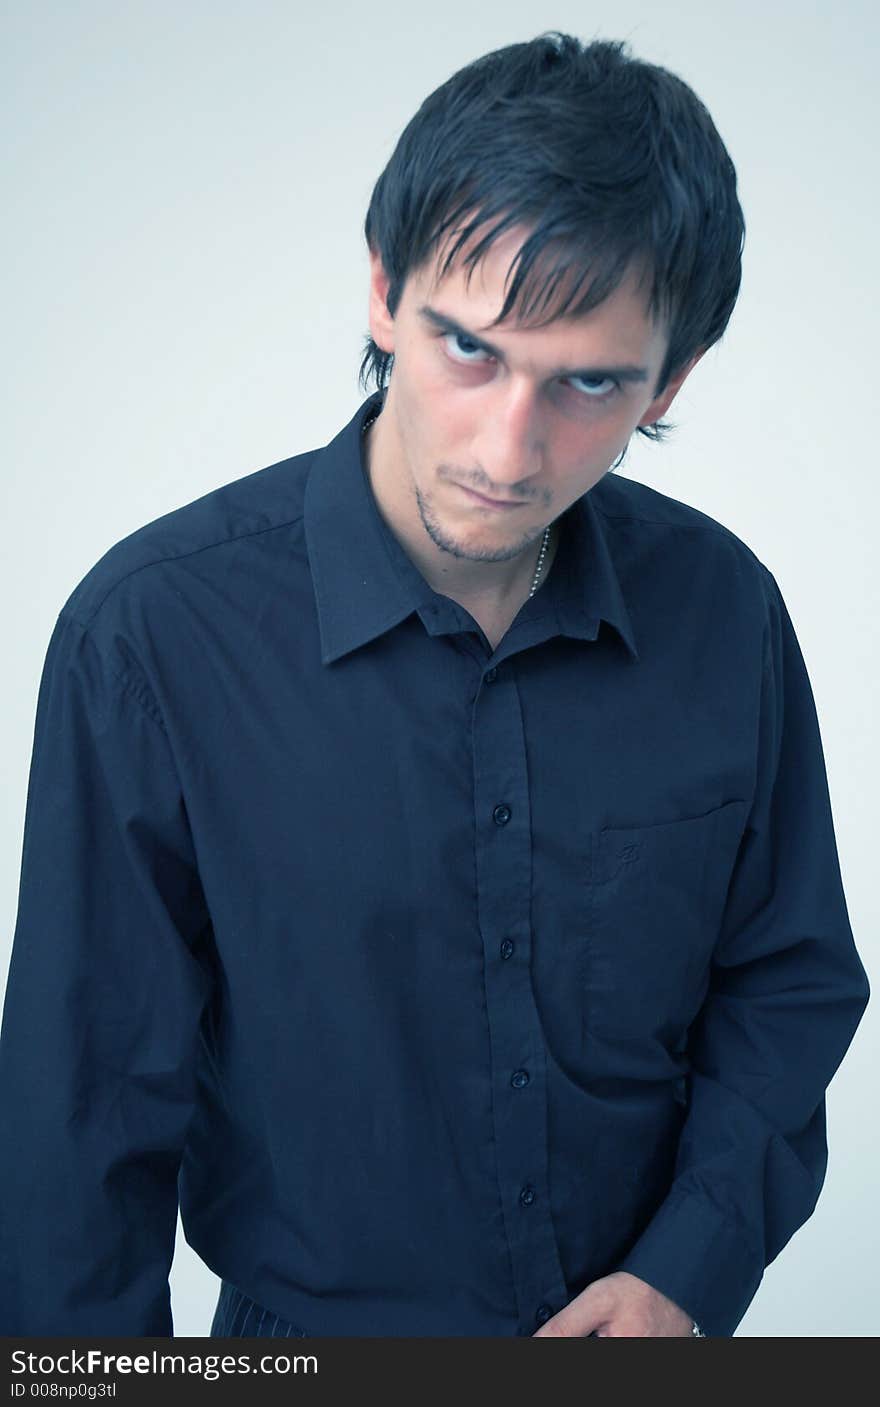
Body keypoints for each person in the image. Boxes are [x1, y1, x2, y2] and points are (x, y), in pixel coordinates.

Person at [0, 32, 869, 1340]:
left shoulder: (724, 613)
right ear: (382, 294)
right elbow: (80, 1132)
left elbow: (787, 980)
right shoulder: (153, 636)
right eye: (470, 349)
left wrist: (690, 1267)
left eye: (586, 382)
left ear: (671, 380)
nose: (507, 448)